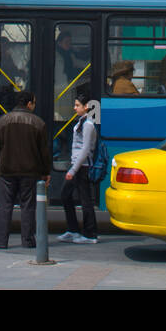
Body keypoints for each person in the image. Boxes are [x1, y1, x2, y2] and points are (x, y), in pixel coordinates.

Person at [0, 90, 51, 250]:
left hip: (7, 170)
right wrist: (46, 172)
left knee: (5, 205)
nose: (34, 106)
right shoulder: (38, 123)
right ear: (29, 104)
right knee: (28, 206)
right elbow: (44, 151)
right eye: (34, 103)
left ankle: (1, 240)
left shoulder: (3, 121)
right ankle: (28, 241)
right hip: (30, 171)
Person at [58, 92, 99, 244]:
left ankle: (90, 234)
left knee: (85, 200)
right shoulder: (81, 122)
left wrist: (72, 170)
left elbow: (85, 149)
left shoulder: (88, 125)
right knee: (66, 196)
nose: (74, 108)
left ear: (86, 107)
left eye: (77, 105)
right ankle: (73, 230)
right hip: (77, 165)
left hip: (82, 167)